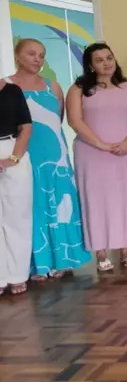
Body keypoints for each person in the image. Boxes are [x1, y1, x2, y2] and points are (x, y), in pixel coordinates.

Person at [8, 38, 92, 282]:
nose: (38, 59)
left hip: (56, 157)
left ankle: (61, 260)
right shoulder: (6, 86)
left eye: (42, 55)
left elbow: (58, 120)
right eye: (32, 54)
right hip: (24, 154)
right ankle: (35, 264)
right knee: (30, 205)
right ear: (17, 55)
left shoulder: (52, 86)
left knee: (60, 204)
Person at [68, 43, 127, 271]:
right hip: (92, 154)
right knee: (96, 200)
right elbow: (75, 121)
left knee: (126, 198)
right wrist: (101, 144)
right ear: (91, 65)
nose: (106, 63)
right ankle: (100, 251)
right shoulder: (79, 89)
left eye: (109, 57)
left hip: (126, 152)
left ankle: (126, 248)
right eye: (99, 60)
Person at [0, 79, 33, 295]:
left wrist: (12, 158)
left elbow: (26, 127)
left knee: (17, 217)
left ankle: (17, 275)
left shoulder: (12, 90)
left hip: (13, 150)